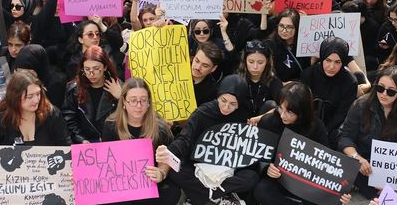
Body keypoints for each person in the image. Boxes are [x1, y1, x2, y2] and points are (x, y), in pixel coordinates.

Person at [155, 75, 258, 205]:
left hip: (228, 168)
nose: (226, 107)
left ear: (240, 103)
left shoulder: (243, 116)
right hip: (198, 166)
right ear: (218, 96)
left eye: (233, 104)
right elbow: (185, 139)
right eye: (223, 100)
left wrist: (252, 131)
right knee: (176, 171)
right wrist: (169, 152)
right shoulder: (203, 113)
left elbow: (246, 150)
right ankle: (220, 198)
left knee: (251, 177)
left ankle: (205, 196)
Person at [254, 82, 353, 205]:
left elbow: (326, 165)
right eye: (280, 108)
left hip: (306, 182)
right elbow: (258, 156)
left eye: (289, 112)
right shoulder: (268, 122)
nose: (282, 115)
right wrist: (267, 167)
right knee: (261, 191)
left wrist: (340, 193)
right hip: (278, 179)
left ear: (302, 111)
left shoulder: (316, 127)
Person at [339, 66, 397, 199]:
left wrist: (391, 180)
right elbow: (345, 137)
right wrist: (357, 157)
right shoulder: (361, 105)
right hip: (362, 166)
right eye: (380, 88)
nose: (383, 94)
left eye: (391, 92)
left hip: (394, 172)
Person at [102, 78, 180, 205]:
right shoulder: (111, 125)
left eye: (143, 100)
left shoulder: (160, 128)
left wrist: (161, 173)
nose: (139, 106)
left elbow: (167, 159)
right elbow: (105, 161)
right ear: (123, 102)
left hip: (150, 182)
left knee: (171, 193)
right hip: (121, 183)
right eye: (133, 100)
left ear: (149, 103)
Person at [0, 71, 71, 146]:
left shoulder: (52, 114)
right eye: (30, 96)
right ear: (15, 97)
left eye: (38, 94)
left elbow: (66, 146)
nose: (36, 100)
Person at [301, 37, 358, 147]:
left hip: (333, 128)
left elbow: (342, 113)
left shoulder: (350, 82)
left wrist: (324, 131)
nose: (331, 67)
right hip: (307, 122)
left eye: (337, 62)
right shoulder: (308, 74)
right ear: (322, 58)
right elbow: (302, 105)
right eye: (328, 60)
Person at [62, 45, 122, 143]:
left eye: (96, 68)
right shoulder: (74, 89)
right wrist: (81, 139)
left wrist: (121, 97)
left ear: (105, 67)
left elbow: (130, 117)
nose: (91, 74)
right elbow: (69, 119)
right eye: (87, 69)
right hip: (86, 143)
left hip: (112, 143)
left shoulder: (119, 86)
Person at [13, 44, 66, 108]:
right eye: (19, 72)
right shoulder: (21, 81)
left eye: (27, 72)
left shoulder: (56, 83)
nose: (23, 77)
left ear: (37, 68)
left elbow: (53, 112)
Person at [265, 9, 311, 83]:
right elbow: (267, 72)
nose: (284, 30)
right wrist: (281, 84)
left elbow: (307, 68)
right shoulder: (270, 45)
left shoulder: (304, 44)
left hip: (300, 87)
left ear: (297, 28)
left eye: (289, 27)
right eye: (281, 26)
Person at [238, 40, 281, 116]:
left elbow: (281, 106)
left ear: (267, 62)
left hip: (264, 123)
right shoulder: (237, 80)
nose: (255, 67)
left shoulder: (274, 81)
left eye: (260, 63)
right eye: (251, 62)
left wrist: (258, 119)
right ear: (245, 61)